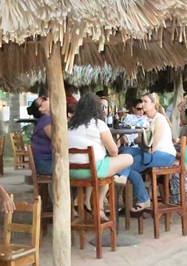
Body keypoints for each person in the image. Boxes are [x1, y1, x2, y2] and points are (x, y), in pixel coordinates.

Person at [68, 93, 133, 221]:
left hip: (72, 171)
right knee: (129, 158)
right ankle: (99, 206)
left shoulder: (69, 126)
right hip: (94, 170)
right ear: (98, 109)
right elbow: (114, 151)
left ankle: (95, 203)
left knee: (107, 172)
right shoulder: (98, 124)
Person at [122, 93, 176, 212]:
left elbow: (153, 145)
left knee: (128, 164)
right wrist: (139, 140)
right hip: (152, 152)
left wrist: (141, 141)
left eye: (145, 101)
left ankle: (142, 198)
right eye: (142, 101)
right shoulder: (147, 120)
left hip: (165, 155)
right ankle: (122, 174)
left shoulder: (159, 119)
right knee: (124, 151)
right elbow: (146, 145)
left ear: (153, 103)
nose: (143, 104)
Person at [28, 96, 52, 175]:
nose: (48, 98)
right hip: (45, 162)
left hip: (46, 161)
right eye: (44, 99)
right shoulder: (46, 119)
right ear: (41, 109)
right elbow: (57, 139)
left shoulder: (46, 119)